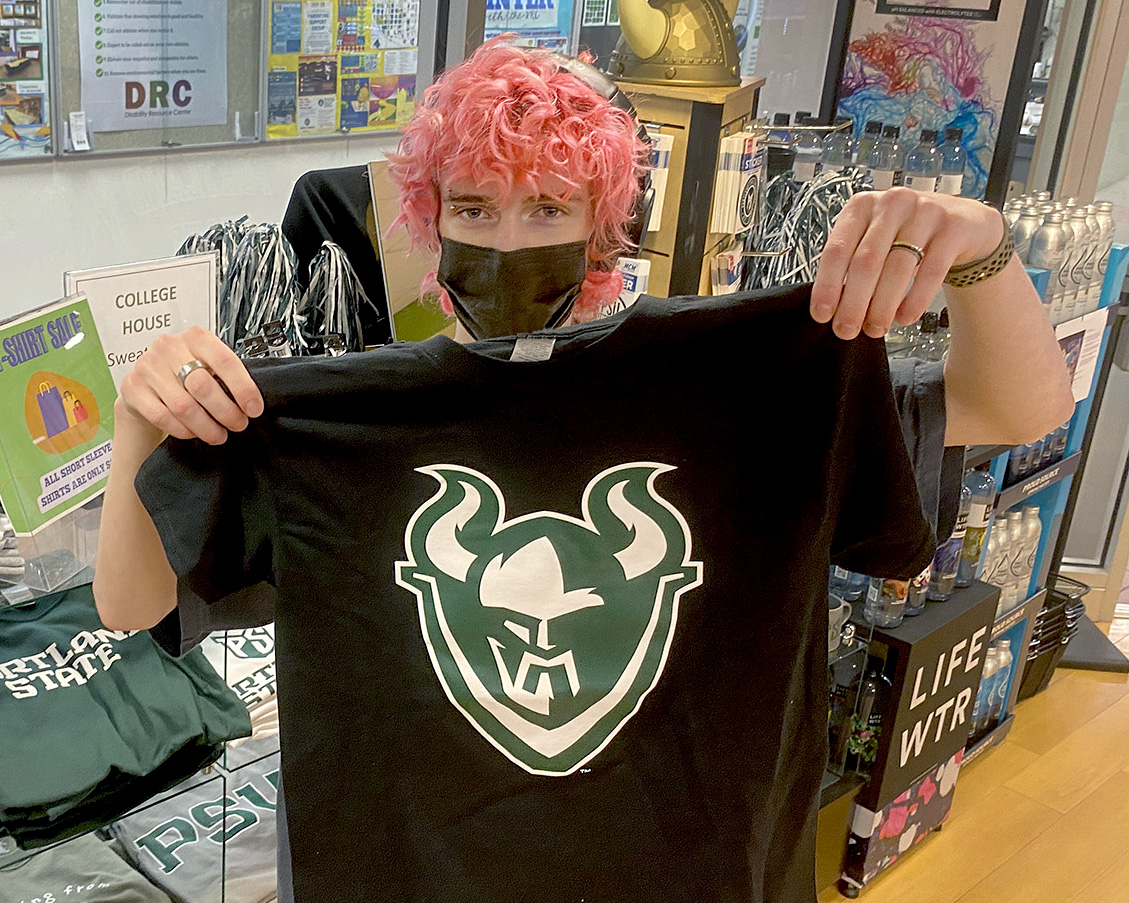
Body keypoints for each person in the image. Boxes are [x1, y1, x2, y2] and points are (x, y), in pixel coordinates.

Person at [93, 38, 1073, 903]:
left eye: (547, 206)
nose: (508, 239)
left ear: (604, 228)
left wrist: (980, 249)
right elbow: (130, 604)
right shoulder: (336, 421)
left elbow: (1019, 410)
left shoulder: (746, 389)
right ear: (431, 224)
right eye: (474, 205)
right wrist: (141, 419)